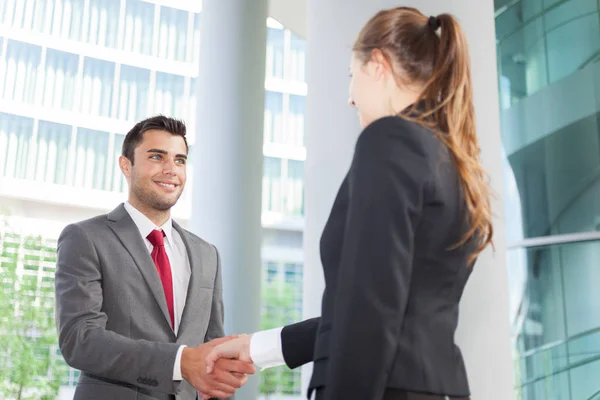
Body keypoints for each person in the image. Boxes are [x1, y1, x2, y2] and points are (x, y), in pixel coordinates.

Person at [205, 7, 493, 400]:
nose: (350, 98)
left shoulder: (390, 139)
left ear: (378, 65)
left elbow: (370, 312)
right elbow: (385, 304)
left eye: (351, 75)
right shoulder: (452, 161)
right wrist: (260, 348)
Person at [54, 115, 255, 400]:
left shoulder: (207, 254)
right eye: (157, 157)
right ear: (126, 165)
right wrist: (180, 361)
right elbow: (80, 339)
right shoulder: (85, 238)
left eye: (180, 160)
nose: (171, 169)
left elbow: (211, 350)